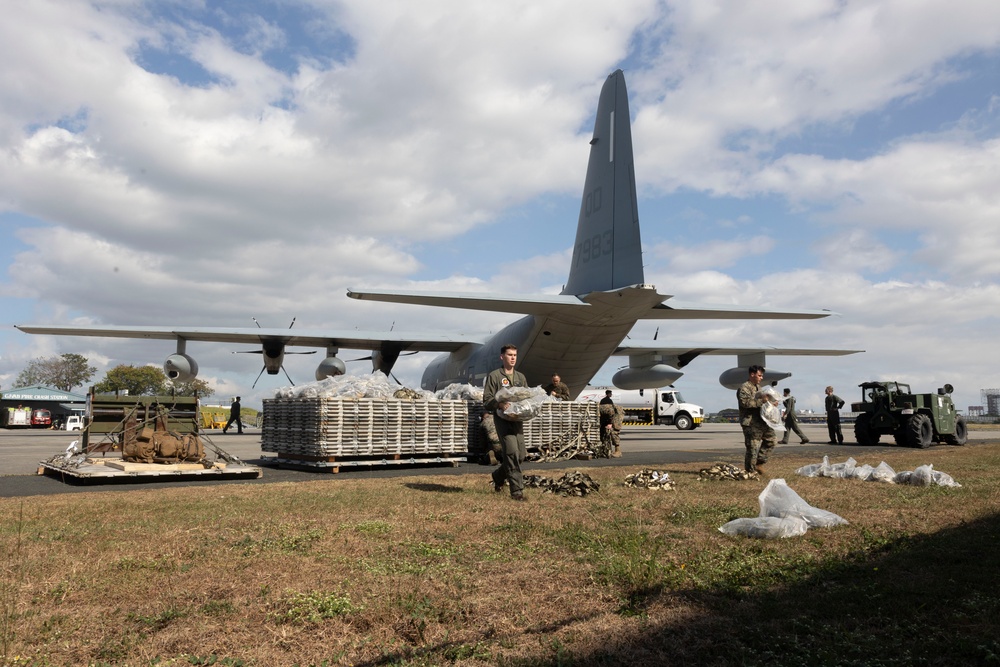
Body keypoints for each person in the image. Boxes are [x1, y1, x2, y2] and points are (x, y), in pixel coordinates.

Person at [482, 345, 529, 501]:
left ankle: (498, 475)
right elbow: (487, 400)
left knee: (521, 455)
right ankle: (517, 491)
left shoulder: (521, 377)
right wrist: (500, 405)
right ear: (502, 357)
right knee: (511, 453)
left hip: (517, 420)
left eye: (515, 355)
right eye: (510, 355)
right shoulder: (494, 376)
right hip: (502, 420)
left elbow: (526, 396)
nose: (513, 358)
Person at [737, 365, 777, 474]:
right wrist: (762, 401)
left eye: (762, 376)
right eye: (759, 375)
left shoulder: (759, 387)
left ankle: (759, 463)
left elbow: (763, 402)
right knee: (752, 448)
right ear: (752, 374)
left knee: (771, 440)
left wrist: (772, 403)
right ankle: (750, 472)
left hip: (761, 420)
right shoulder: (744, 388)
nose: (761, 378)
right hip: (750, 422)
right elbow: (745, 403)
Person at [598, 390, 617, 456]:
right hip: (607, 420)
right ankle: (607, 450)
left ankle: (602, 449)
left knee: (601, 435)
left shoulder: (602, 400)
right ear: (608, 394)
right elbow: (611, 412)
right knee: (608, 435)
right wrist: (610, 422)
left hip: (602, 420)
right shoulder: (609, 401)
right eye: (610, 393)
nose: (611, 394)